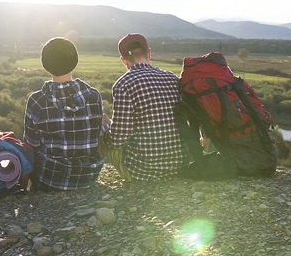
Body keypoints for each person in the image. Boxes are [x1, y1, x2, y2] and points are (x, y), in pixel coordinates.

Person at [100, 33, 190, 181]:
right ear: (149, 53)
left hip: (143, 171)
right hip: (180, 165)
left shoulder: (123, 84)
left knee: (102, 122)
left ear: (124, 60)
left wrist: (105, 129)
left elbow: (118, 139)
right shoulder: (172, 78)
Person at [23, 37, 105, 191]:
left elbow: (31, 144)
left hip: (50, 179)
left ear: (45, 64)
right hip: (88, 177)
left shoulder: (36, 101)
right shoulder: (94, 96)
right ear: (75, 61)